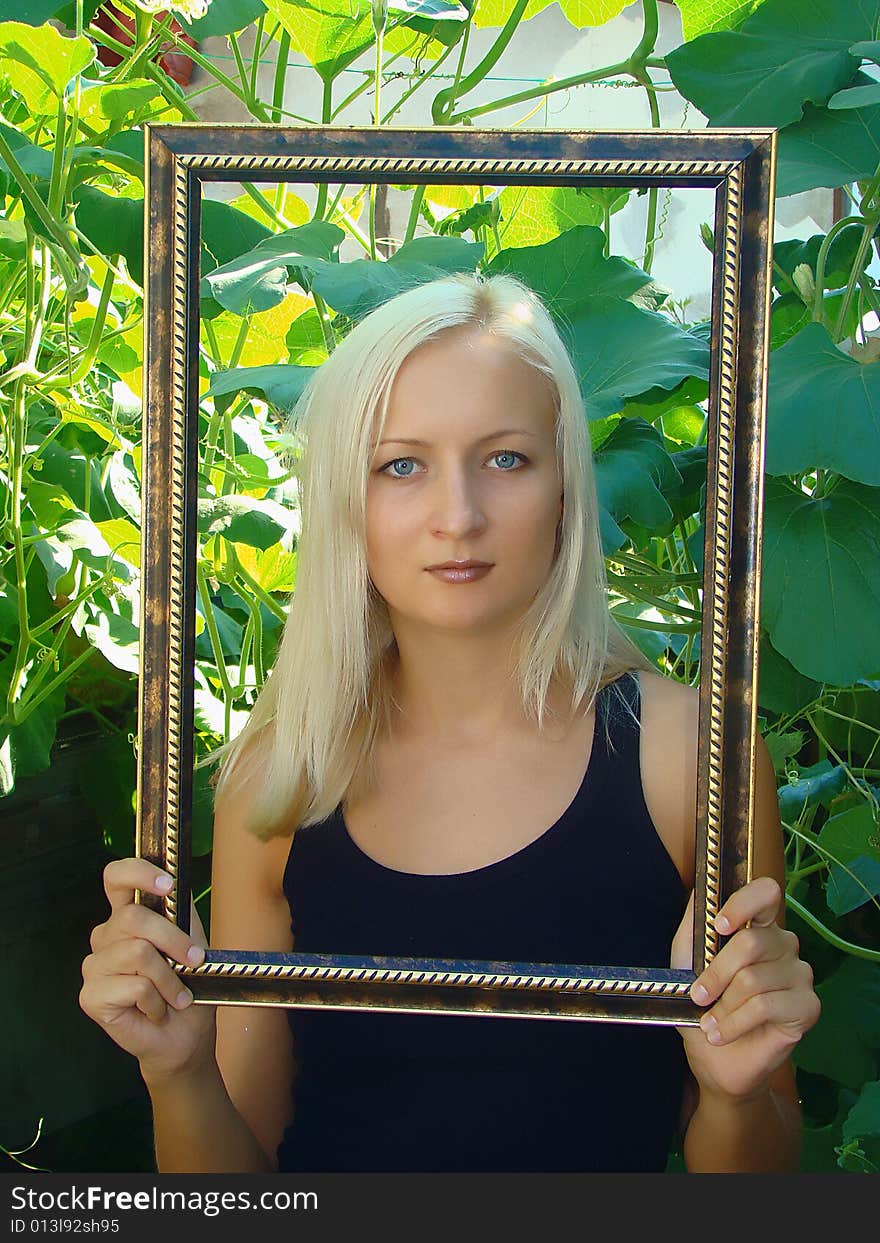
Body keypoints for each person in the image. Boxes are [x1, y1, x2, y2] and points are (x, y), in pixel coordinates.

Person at [80, 271, 820, 1173]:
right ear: (346, 500)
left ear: (565, 488)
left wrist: (734, 1089)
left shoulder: (690, 761)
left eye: (506, 458)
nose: (458, 517)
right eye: (401, 464)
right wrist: (180, 1075)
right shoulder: (281, 778)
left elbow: (764, 1184)